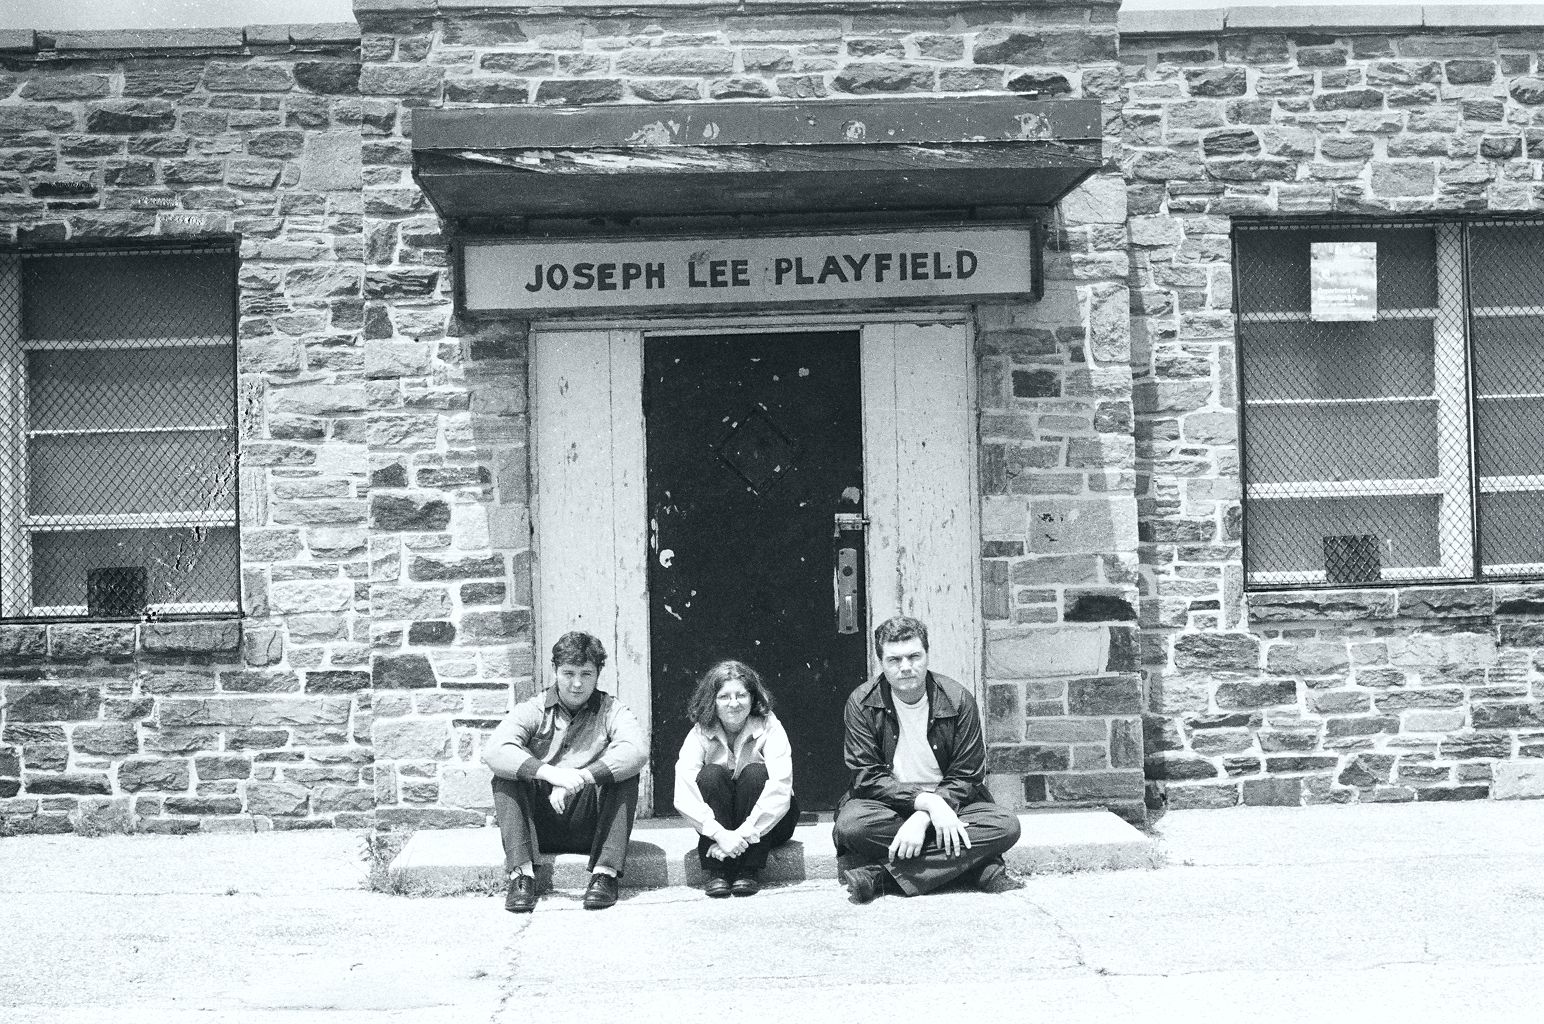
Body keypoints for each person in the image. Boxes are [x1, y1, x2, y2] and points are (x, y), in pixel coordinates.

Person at [832, 615, 1023, 903]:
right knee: (852, 826)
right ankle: (973, 867)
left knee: (1005, 825)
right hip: (888, 807)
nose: (906, 667)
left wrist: (925, 815)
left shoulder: (958, 699)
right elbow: (866, 777)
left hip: (953, 806)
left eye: (914, 656)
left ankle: (880, 877)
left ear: (927, 655)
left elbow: (968, 775)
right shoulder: (861, 703)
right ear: (880, 662)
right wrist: (925, 802)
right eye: (894, 660)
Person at [483, 631, 647, 913]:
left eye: (586, 673)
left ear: (598, 674)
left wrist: (582, 777)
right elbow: (494, 750)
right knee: (505, 777)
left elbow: (636, 751)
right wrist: (549, 773)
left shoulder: (612, 710)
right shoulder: (533, 709)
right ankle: (522, 876)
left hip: (590, 822)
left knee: (625, 775)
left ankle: (604, 875)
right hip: (541, 822)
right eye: (568, 672)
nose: (577, 683)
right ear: (555, 670)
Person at [673, 660, 800, 898]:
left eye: (741, 695)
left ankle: (748, 870)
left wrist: (741, 836)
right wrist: (720, 835)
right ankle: (717, 872)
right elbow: (684, 791)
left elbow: (781, 788)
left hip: (770, 825)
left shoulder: (770, 725)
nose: (734, 703)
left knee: (756, 773)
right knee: (710, 775)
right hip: (722, 826)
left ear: (752, 698)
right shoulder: (701, 731)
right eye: (724, 697)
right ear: (713, 701)